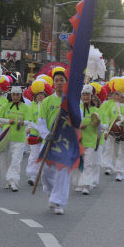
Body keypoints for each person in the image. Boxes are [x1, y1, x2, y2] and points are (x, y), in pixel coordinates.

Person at [35, 67, 71, 214]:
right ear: (53, 83)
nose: (59, 83)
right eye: (56, 81)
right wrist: (45, 134)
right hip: (49, 141)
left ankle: (59, 203)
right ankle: (51, 193)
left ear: (66, 82)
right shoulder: (47, 101)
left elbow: (78, 119)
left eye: (62, 80)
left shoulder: (71, 101)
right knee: (46, 172)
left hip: (65, 142)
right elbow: (41, 121)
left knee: (62, 173)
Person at [0, 86, 29, 192]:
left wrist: (23, 122)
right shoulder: (6, 106)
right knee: (5, 160)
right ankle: (8, 181)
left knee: (16, 160)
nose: (15, 97)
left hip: (19, 138)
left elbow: (30, 121)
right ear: (11, 95)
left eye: (17, 95)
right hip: (6, 137)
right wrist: (7, 121)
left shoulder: (25, 107)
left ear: (21, 96)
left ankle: (14, 182)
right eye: (13, 95)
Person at [101, 78, 124, 181]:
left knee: (122, 152)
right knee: (112, 151)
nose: (114, 96)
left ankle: (120, 172)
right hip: (113, 133)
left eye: (117, 94)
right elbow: (106, 118)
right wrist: (106, 131)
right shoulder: (112, 105)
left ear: (123, 96)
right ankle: (110, 166)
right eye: (115, 94)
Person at [74, 85, 104, 195]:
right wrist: (78, 126)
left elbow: (104, 126)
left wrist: (96, 124)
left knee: (88, 163)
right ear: (81, 96)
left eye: (88, 95)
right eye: (84, 94)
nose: (85, 97)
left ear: (91, 96)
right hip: (78, 141)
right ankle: (78, 183)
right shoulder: (77, 109)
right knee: (78, 163)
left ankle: (86, 185)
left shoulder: (96, 110)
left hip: (91, 141)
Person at [24, 80, 48, 185]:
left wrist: (44, 131)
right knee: (33, 156)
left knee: (43, 156)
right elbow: (29, 119)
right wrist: (35, 127)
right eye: (38, 94)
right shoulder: (32, 106)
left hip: (46, 136)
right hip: (34, 134)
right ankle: (32, 176)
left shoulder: (47, 105)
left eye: (42, 94)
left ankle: (43, 175)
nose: (40, 96)